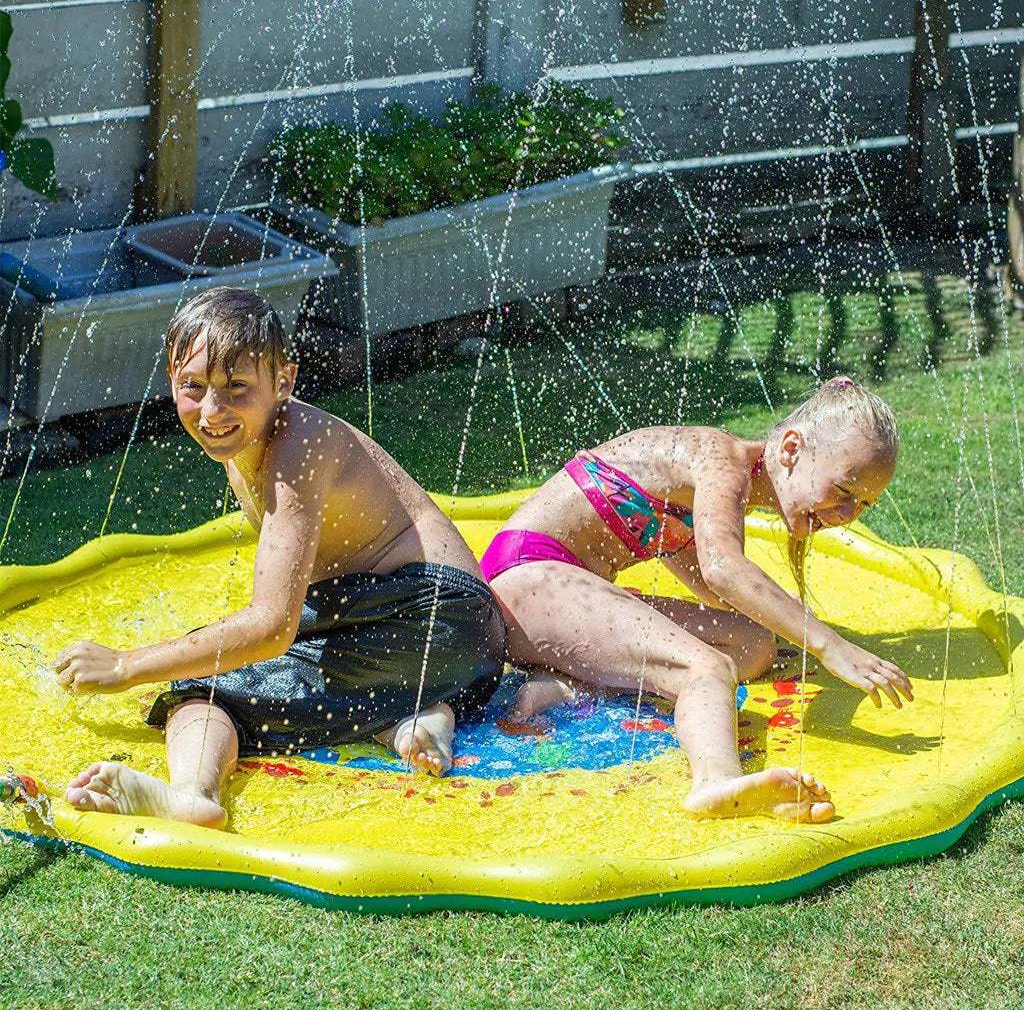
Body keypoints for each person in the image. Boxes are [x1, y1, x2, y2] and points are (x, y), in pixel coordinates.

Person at [54, 286, 505, 828]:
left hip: (424, 617)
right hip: (462, 643)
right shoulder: (251, 436)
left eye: (236, 387)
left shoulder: (298, 445)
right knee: (234, 654)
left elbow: (270, 627)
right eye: (191, 387)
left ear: (283, 381)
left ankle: (193, 794)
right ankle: (410, 715)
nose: (212, 409)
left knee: (204, 685)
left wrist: (127, 666)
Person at [481, 377, 911, 823]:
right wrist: (830, 645)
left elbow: (711, 588)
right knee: (706, 666)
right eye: (843, 491)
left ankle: (570, 680)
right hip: (524, 578)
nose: (846, 516)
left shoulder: (712, 483)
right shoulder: (721, 461)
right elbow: (723, 572)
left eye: (862, 504)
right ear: (790, 449)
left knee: (752, 645)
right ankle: (715, 782)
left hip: (564, 592)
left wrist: (789, 632)